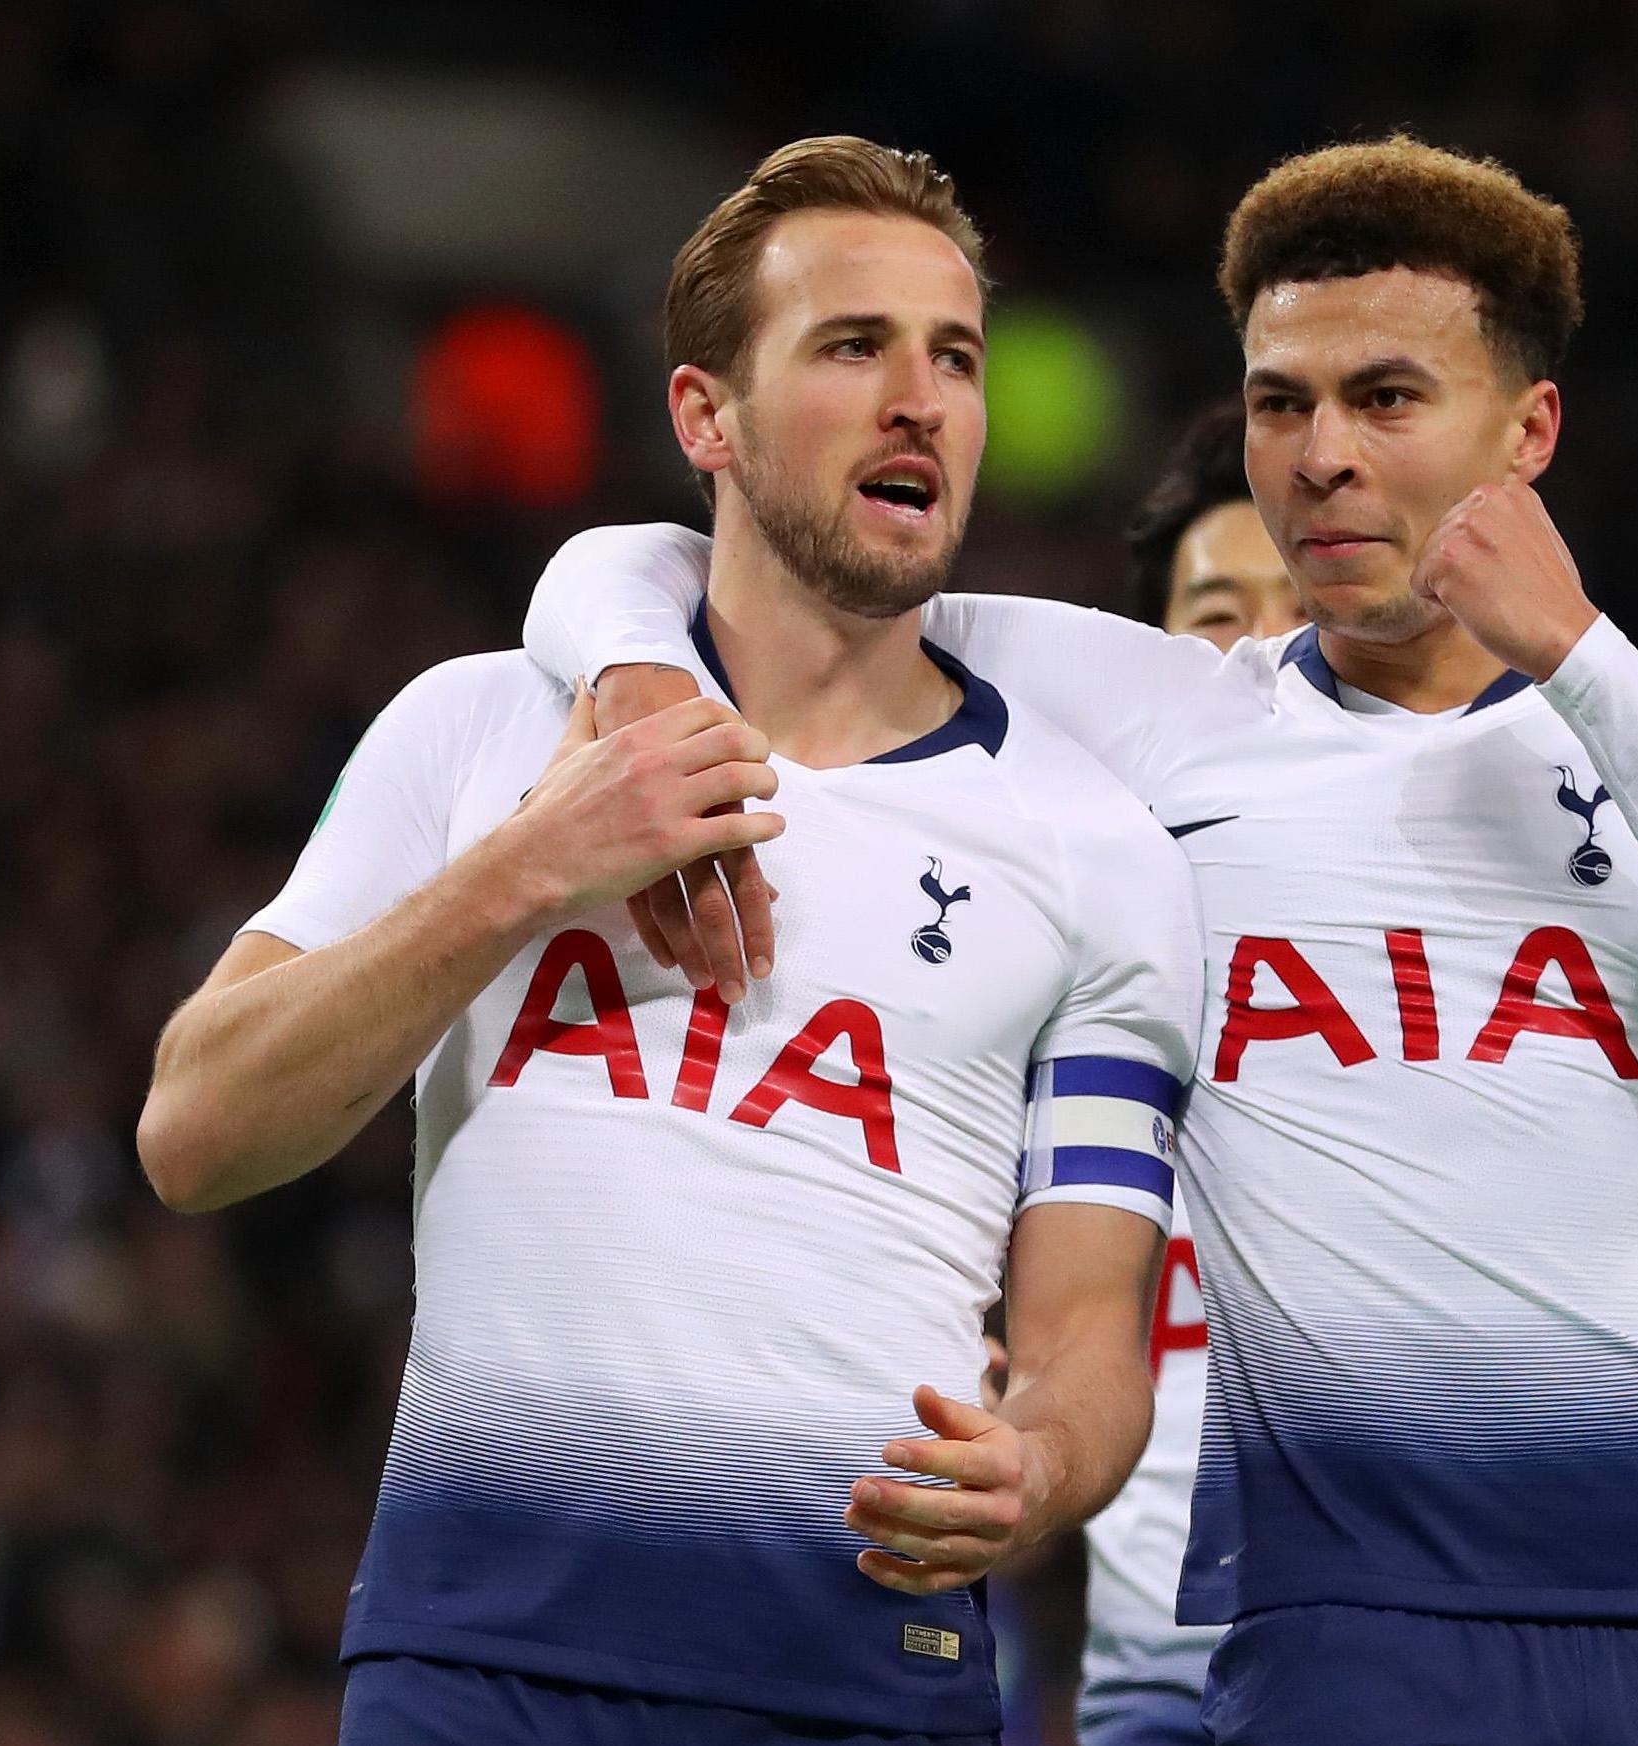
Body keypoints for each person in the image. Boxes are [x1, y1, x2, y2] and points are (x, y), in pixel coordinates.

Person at [525, 135, 1638, 1745]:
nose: (1319, 456)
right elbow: (674, 564)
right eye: (1279, 403)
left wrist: (1584, 660)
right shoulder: (1163, 720)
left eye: (1385, 398)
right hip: (1348, 1634)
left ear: (1527, 430)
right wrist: (639, 674)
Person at [137, 136, 1205, 1746]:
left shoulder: (1098, 849)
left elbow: (1084, 1338)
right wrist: (528, 868)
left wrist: (1039, 1467)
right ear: (706, 414)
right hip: (475, 1660)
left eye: (956, 357)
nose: (923, 398)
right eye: (854, 346)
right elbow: (195, 1128)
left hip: (862, 1674)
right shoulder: (480, 725)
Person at [1071, 402, 1638, 1746]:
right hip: (1173, 1663)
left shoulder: (1502, 1012)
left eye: (1291, 600)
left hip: (1462, 1611)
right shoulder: (1095, 966)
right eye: (1217, 615)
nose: (1270, 641)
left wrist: (1500, 1342)